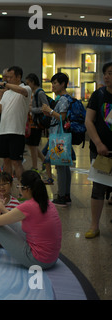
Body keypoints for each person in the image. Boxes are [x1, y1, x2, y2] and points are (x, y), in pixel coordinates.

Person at [0, 66, 32, 181]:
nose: (8, 79)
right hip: (3, 130)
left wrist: (4, 84)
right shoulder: (7, 93)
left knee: (16, 161)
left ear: (18, 77)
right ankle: (7, 188)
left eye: (10, 77)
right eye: (7, 77)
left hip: (16, 132)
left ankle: (23, 188)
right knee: (6, 161)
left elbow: (22, 91)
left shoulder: (26, 88)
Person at [84, 62, 112, 239]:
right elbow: (89, 121)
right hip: (101, 152)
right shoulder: (98, 95)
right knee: (98, 188)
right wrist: (99, 143)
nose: (107, 76)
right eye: (106, 73)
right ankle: (94, 226)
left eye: (110, 73)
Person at [41, 72, 75, 207]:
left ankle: (61, 196)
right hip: (60, 136)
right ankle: (65, 194)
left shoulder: (63, 99)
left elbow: (62, 117)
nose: (53, 86)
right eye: (52, 83)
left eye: (55, 83)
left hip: (59, 137)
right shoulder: (63, 99)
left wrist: (49, 111)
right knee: (64, 166)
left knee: (61, 166)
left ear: (62, 84)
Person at [24, 73, 47, 173]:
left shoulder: (40, 93)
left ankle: (35, 167)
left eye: (28, 83)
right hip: (31, 123)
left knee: (33, 146)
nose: (27, 85)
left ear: (33, 82)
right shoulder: (33, 93)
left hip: (36, 124)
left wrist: (32, 109)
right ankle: (45, 161)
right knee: (31, 146)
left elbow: (45, 107)